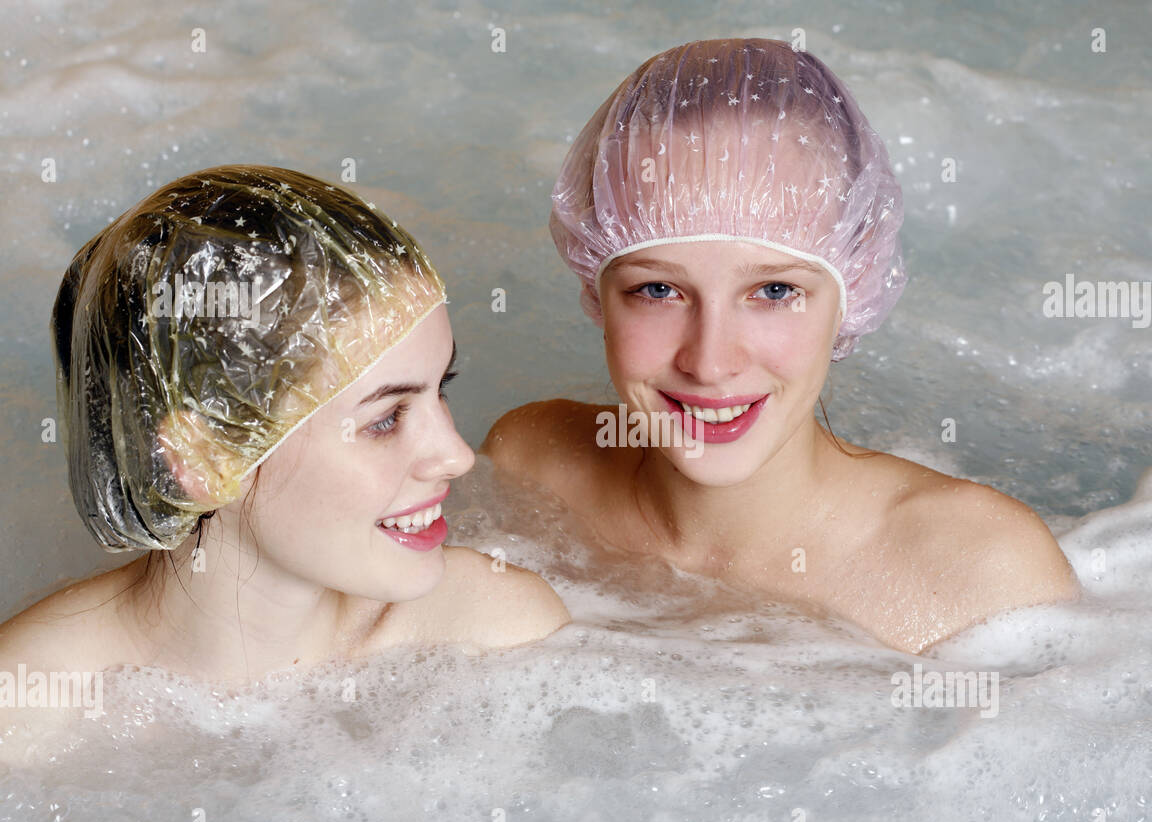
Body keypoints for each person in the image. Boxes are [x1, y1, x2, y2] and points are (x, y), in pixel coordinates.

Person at [484, 39, 1078, 653]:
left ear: (853, 290)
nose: (710, 363)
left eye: (773, 290)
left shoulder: (985, 579)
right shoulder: (530, 470)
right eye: (658, 289)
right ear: (596, 291)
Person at [0, 165, 568, 686]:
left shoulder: (497, 635)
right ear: (206, 458)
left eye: (440, 389)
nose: (458, 455)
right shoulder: (27, 710)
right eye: (386, 419)